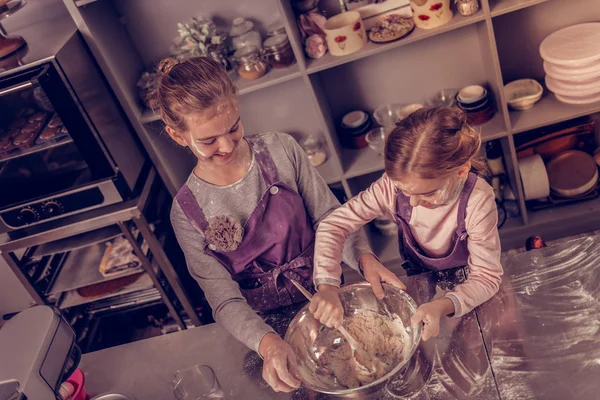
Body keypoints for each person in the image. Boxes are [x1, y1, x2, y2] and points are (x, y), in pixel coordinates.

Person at [156, 56, 397, 393]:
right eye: (209, 140)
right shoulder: (186, 211)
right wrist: (267, 344)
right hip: (262, 328)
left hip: (326, 291)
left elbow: (329, 216)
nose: (226, 146)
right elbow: (224, 300)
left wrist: (362, 257)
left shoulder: (281, 150)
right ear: (177, 135)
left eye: (233, 127)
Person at [310, 107, 503, 341]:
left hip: (470, 287)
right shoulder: (390, 188)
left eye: (428, 193)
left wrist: (443, 306)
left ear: (461, 171)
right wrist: (327, 286)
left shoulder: (478, 200)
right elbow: (333, 225)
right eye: (403, 190)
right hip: (419, 278)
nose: (412, 201)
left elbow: (486, 277)